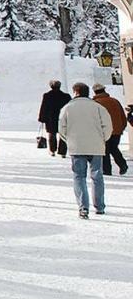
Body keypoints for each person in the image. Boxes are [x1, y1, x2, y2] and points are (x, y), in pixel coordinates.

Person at [58, 82, 112, 219]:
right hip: (96, 146)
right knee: (97, 176)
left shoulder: (67, 108)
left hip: (77, 146)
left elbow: (61, 128)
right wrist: (102, 139)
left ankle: (83, 208)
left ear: (75, 92)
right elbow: (107, 126)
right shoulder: (98, 107)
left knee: (79, 177)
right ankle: (99, 206)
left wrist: (69, 140)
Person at [91, 84, 128, 176]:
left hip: (102, 131)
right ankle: (122, 164)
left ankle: (107, 170)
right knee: (114, 148)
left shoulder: (95, 103)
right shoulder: (115, 101)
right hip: (116, 130)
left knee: (104, 151)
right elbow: (122, 116)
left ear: (95, 92)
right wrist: (122, 127)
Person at [37, 80, 71, 157]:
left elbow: (44, 107)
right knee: (63, 135)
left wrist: (41, 118)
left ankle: (52, 150)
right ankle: (62, 152)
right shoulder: (66, 96)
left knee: (52, 135)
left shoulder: (47, 95)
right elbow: (70, 107)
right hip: (63, 118)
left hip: (50, 118)